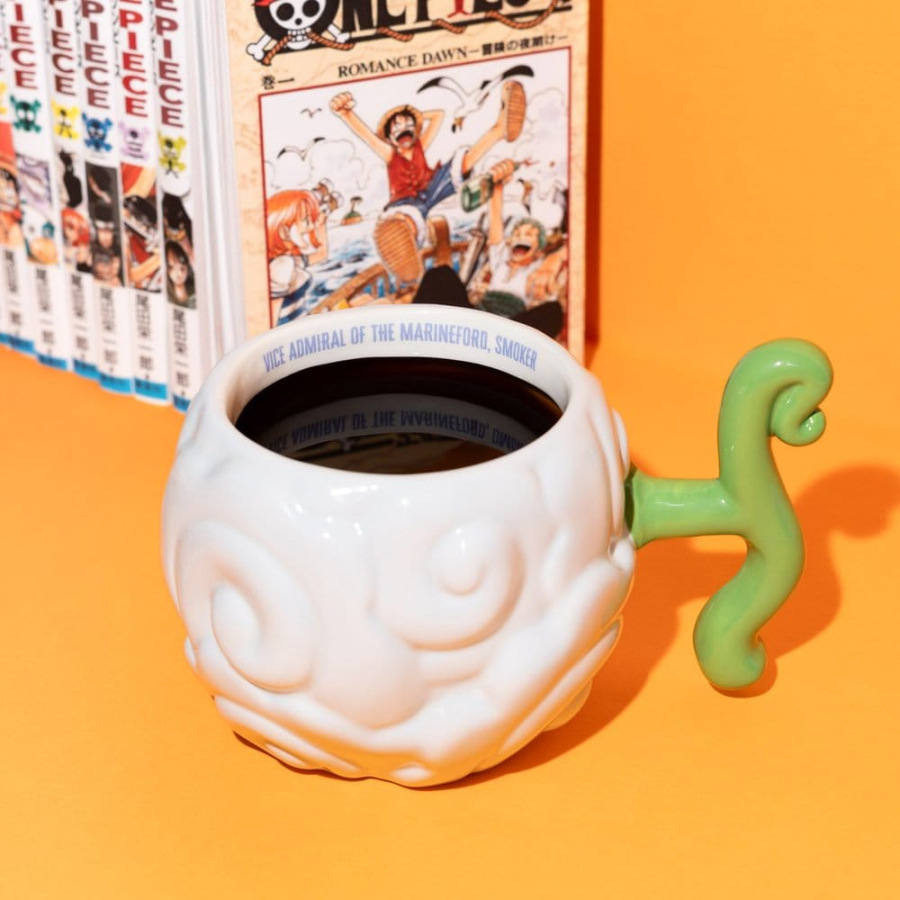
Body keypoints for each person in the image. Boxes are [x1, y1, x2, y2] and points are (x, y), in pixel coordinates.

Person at [330, 79, 526, 287]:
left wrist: (415, 116)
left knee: (460, 164)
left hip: (430, 189)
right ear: (388, 136)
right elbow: (367, 136)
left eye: (409, 126)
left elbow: (439, 115)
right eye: (397, 127)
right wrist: (346, 113)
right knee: (408, 218)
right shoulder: (389, 153)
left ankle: (499, 130)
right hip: (405, 201)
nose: (404, 129)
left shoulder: (420, 146)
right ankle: (401, 242)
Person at [266, 188, 329, 325]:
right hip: (292, 332)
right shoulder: (283, 264)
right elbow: (272, 319)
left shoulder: (290, 260)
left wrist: (321, 226)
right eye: (306, 220)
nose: (310, 227)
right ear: (283, 231)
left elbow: (321, 255)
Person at [165, 240, 195, 308]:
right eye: (172, 267)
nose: (179, 273)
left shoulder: (195, 291)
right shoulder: (166, 297)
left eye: (182, 268)